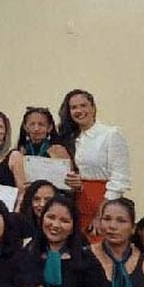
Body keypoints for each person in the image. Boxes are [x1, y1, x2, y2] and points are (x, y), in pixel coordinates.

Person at [58, 89, 130, 237]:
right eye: (74, 107)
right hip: (78, 202)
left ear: (93, 107)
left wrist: (102, 214)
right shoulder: (71, 139)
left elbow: (119, 179)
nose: (79, 111)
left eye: (83, 105)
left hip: (104, 202)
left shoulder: (110, 134)